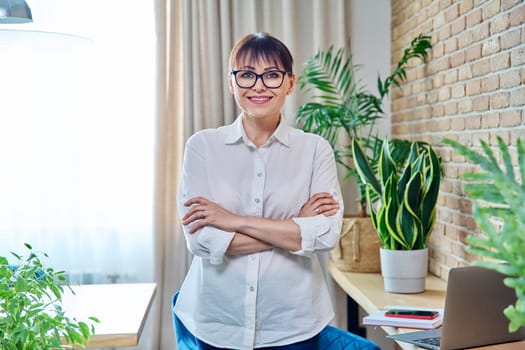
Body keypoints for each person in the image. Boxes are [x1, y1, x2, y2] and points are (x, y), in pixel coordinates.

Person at [174, 32, 344, 350]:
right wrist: (294, 227)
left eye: (272, 75)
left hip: (293, 324)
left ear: (290, 83)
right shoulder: (202, 147)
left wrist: (231, 220)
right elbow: (200, 240)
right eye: (247, 75)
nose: (259, 85)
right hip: (217, 322)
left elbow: (325, 236)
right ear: (232, 82)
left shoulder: (315, 150)